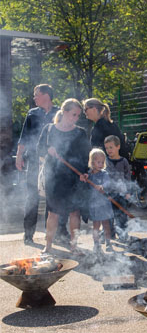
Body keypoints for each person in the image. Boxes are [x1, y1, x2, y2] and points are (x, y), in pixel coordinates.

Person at [37, 99, 91, 254]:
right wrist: (48, 150)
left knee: (75, 212)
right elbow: (39, 149)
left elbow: (86, 155)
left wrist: (85, 172)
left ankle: (74, 246)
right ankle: (48, 246)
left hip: (74, 178)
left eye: (78, 116)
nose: (75, 118)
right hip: (53, 178)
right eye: (73, 114)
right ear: (64, 112)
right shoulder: (49, 130)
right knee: (53, 213)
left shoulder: (80, 133)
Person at [16, 84, 59, 245]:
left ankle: (52, 235)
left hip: (52, 163)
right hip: (33, 161)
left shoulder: (59, 113)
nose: (34, 98)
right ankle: (28, 234)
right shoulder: (32, 114)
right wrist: (19, 156)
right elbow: (24, 137)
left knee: (52, 198)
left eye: (36, 95)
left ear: (46, 95)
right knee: (31, 197)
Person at [80, 149, 114, 254]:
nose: (101, 164)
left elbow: (108, 183)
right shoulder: (89, 175)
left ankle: (108, 243)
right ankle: (96, 244)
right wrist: (84, 179)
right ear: (92, 162)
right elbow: (84, 186)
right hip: (94, 204)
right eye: (98, 162)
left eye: (102, 162)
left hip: (104, 204)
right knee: (96, 225)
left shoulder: (104, 174)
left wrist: (102, 186)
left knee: (106, 224)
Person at [104, 135, 131, 241]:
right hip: (108, 194)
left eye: (111, 147)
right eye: (106, 148)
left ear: (118, 146)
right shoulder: (105, 161)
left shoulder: (124, 161)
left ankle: (123, 235)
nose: (108, 150)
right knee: (109, 216)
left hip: (121, 194)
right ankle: (109, 234)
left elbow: (128, 178)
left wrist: (128, 192)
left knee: (122, 216)